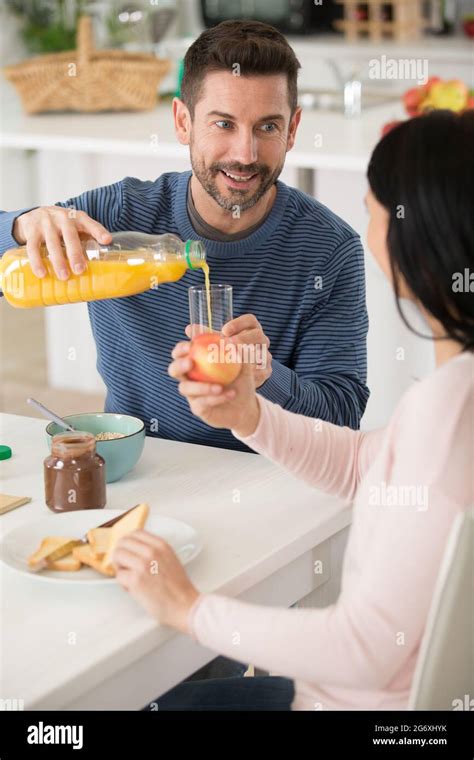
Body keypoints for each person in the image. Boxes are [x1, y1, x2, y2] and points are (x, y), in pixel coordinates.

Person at [111, 110, 473, 710]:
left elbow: (363, 646)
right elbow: (362, 465)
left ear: (416, 238)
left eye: (376, 206)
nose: (366, 213)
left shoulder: (447, 410)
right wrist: (249, 415)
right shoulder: (452, 397)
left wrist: (189, 609)